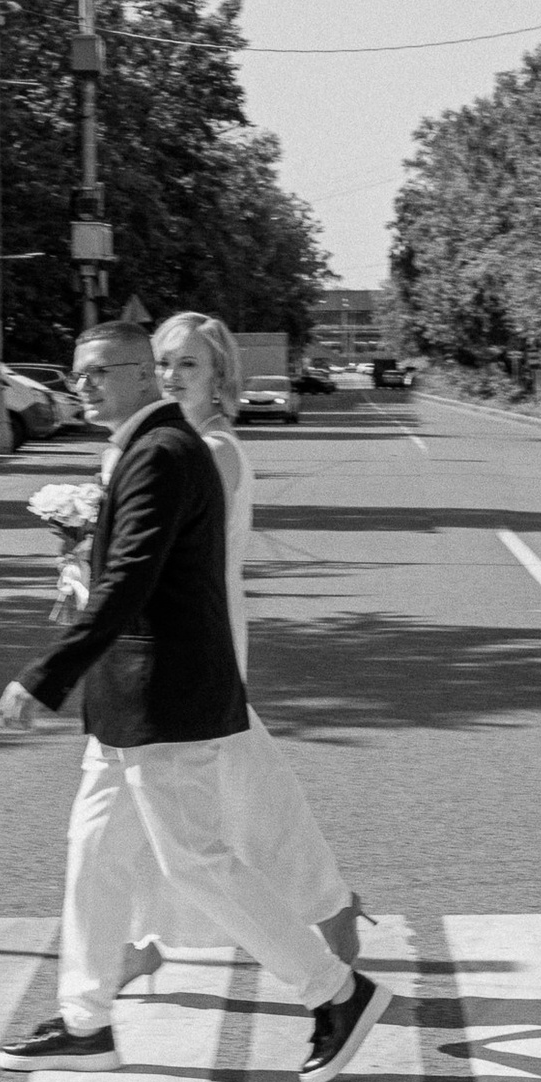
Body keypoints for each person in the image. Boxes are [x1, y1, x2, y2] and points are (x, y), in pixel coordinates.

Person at [0, 320, 388, 1082]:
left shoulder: (168, 454)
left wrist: (46, 672)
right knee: (93, 854)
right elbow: (126, 573)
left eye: (102, 371)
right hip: (130, 702)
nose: (85, 386)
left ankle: (337, 990)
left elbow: (132, 578)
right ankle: (85, 1020)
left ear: (139, 375)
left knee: (196, 862)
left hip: (161, 696)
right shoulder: (150, 448)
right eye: (80, 373)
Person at [114, 311, 364, 976]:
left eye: (187, 365)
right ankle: (138, 936)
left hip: (199, 631)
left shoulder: (215, 451)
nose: (169, 376)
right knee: (199, 780)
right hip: (162, 632)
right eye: (163, 364)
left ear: (219, 374)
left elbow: (173, 550)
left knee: (212, 780)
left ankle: (325, 903)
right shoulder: (170, 440)